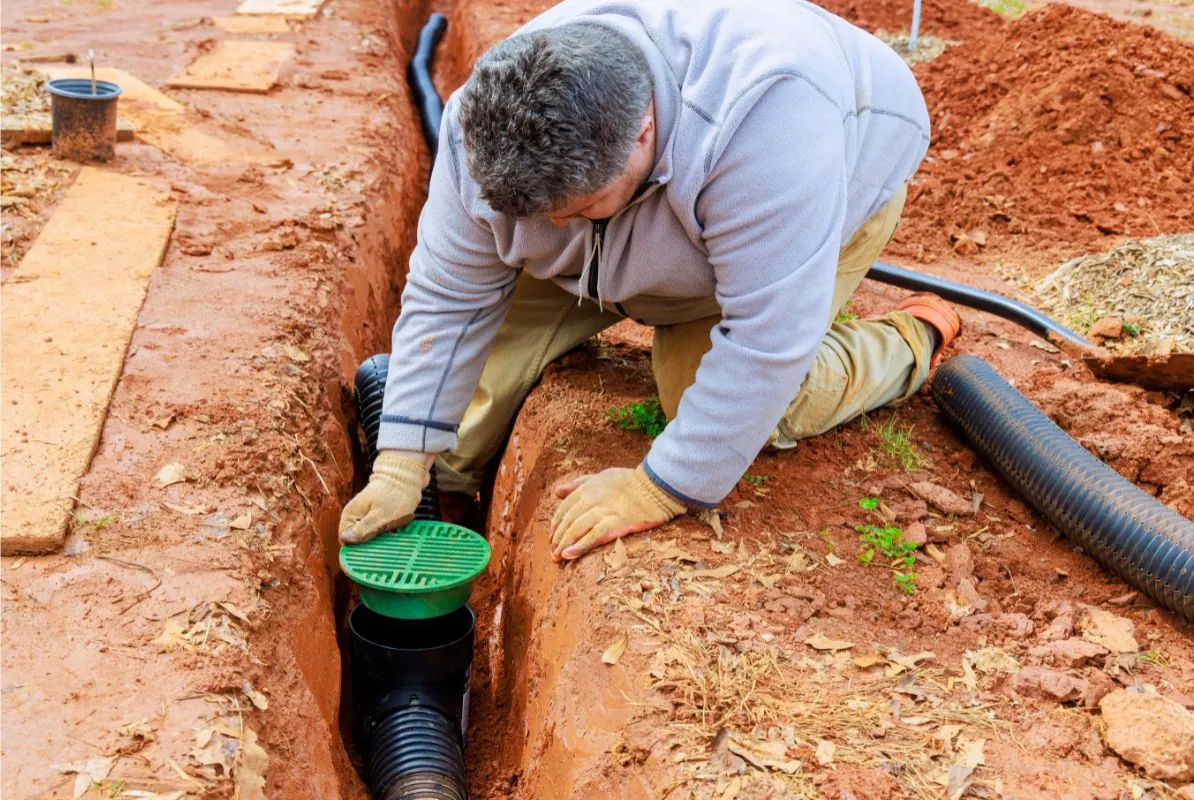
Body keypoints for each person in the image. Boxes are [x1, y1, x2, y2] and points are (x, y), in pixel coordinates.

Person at [338, 0, 961, 561]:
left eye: (577, 208)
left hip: (824, 188)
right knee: (474, 392)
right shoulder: (486, 120)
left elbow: (767, 341)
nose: (554, 226)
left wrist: (659, 488)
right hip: (634, 227)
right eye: (537, 216)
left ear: (642, 132)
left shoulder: (768, 127)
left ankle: (909, 340)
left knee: (730, 398)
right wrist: (400, 465)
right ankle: (448, 497)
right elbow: (450, 296)